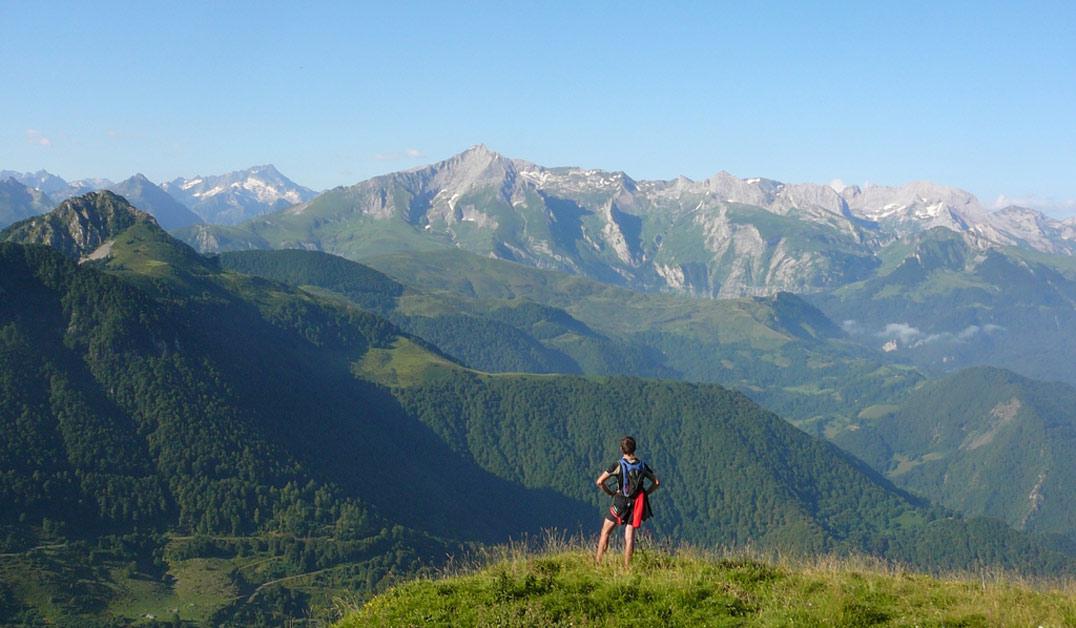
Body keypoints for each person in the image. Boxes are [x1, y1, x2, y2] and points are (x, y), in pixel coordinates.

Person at [594, 435, 660, 567]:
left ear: (621, 449)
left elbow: (600, 482)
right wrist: (646, 493)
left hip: (620, 501)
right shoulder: (642, 465)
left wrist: (610, 493)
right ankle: (626, 568)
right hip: (636, 504)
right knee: (629, 537)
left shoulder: (617, 465)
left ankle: (598, 564)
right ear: (634, 448)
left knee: (605, 532)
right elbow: (656, 482)